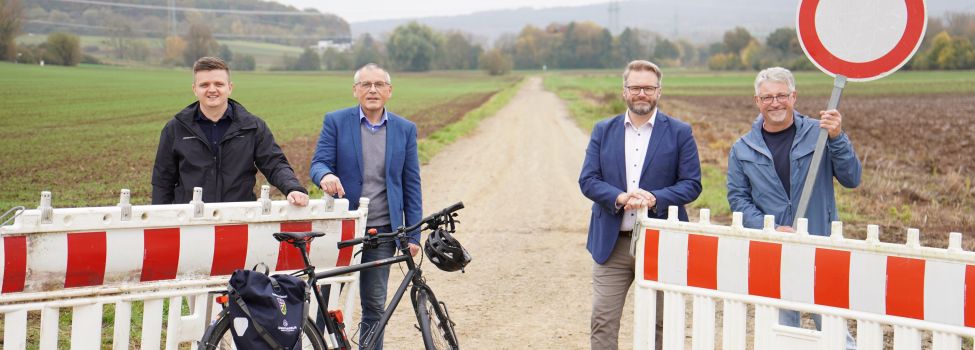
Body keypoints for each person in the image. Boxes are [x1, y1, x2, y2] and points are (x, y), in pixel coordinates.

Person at [726, 66, 860, 348]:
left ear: (793, 96)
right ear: (757, 101)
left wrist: (838, 138)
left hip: (821, 244)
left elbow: (852, 178)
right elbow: (738, 199)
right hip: (774, 248)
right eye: (767, 97)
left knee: (833, 327)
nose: (775, 103)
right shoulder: (743, 148)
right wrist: (771, 228)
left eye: (781, 95)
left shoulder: (821, 133)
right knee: (782, 331)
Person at [579, 59, 702, 350]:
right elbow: (588, 179)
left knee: (662, 323)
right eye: (635, 88)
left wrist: (656, 198)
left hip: (662, 242)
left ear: (659, 91)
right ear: (625, 91)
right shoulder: (603, 130)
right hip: (612, 244)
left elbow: (692, 184)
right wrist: (619, 197)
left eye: (648, 88)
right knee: (603, 320)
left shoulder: (679, 132)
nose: (641, 94)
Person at [309, 63, 422, 350]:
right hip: (342, 230)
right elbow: (318, 163)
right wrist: (326, 175)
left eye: (379, 84)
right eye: (366, 84)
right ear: (356, 90)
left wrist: (413, 235)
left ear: (389, 91)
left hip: (381, 231)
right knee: (326, 300)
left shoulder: (405, 130)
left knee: (374, 305)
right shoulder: (335, 122)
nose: (372, 90)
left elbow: (411, 184)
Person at [151, 56, 308, 206]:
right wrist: (159, 220)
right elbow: (162, 180)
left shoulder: (252, 126)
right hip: (191, 220)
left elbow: (274, 164)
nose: (212, 90)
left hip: (238, 218)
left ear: (230, 88)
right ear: (194, 89)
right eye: (204, 85)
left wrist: (292, 187)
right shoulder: (175, 128)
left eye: (219, 84)